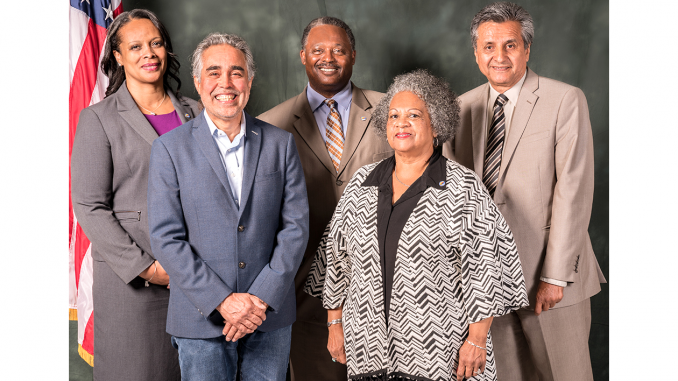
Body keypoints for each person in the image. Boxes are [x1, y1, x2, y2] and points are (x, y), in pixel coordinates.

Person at [304, 69, 529, 381]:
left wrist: (476, 340)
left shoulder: (462, 188)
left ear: (435, 124)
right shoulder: (362, 182)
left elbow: (485, 270)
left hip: (440, 349)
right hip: (367, 346)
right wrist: (334, 324)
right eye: (394, 115)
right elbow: (335, 260)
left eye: (413, 115)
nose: (401, 123)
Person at [442, 3, 607, 380]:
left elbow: (574, 190)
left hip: (548, 279)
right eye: (488, 46)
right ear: (476, 52)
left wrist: (555, 275)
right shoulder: (460, 108)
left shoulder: (564, 100)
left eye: (510, 45)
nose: (498, 56)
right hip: (487, 281)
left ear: (527, 49)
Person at [147, 32, 309, 381]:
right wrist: (224, 301)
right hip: (200, 318)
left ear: (249, 81)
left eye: (236, 72)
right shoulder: (169, 149)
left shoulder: (280, 144)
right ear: (198, 81)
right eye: (214, 72)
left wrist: (259, 300)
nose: (226, 83)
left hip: (268, 319)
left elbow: (295, 227)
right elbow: (166, 238)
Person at [258, 16, 392, 381]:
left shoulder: (394, 112)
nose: (327, 57)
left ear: (353, 55)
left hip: (387, 287)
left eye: (338, 49)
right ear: (303, 56)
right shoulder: (269, 126)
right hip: (304, 292)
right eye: (318, 50)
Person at [70, 9, 200, 381]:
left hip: (198, 281)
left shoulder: (197, 113)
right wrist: (149, 269)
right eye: (136, 46)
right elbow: (90, 207)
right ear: (118, 55)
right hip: (135, 287)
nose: (149, 53)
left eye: (156, 43)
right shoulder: (98, 119)